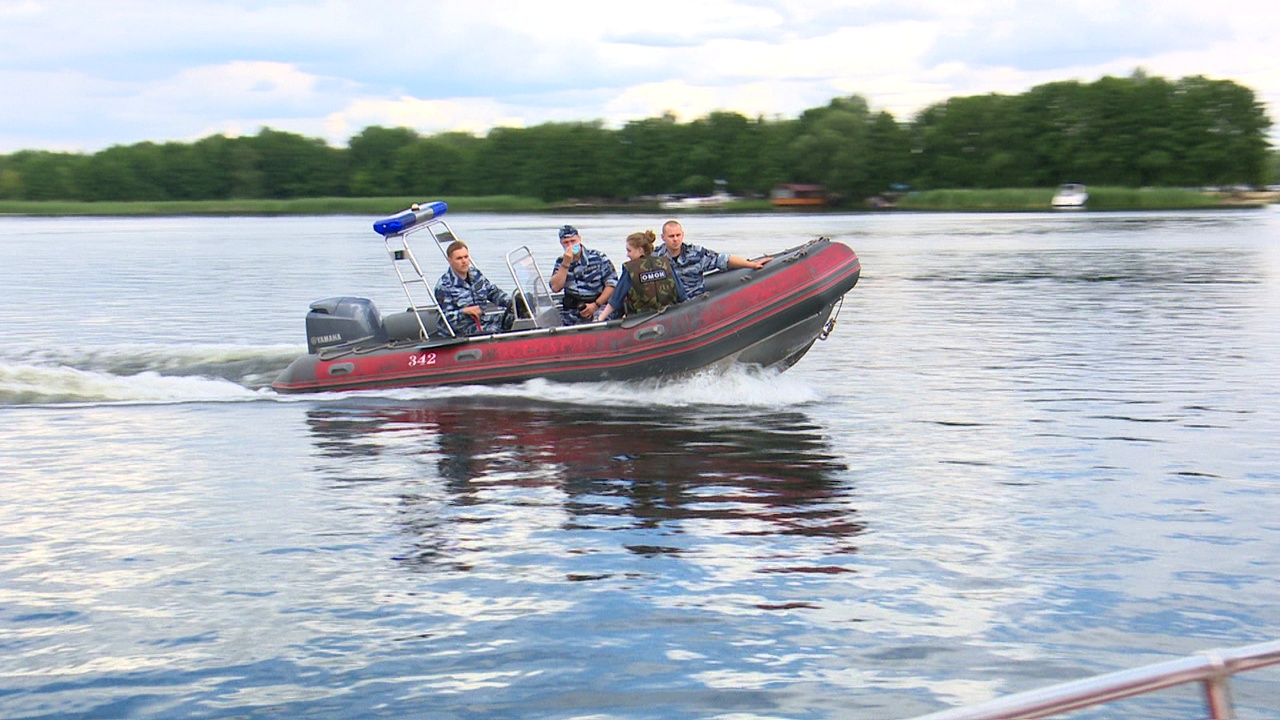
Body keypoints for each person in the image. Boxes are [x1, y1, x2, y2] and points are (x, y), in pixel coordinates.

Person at [655, 219, 770, 297]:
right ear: (663, 237)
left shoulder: (696, 253)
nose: (675, 239)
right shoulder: (654, 258)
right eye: (671, 236)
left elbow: (724, 259)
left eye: (678, 235)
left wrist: (752, 265)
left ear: (683, 235)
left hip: (695, 302)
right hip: (670, 307)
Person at [594, 230, 688, 322]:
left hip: (640, 321)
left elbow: (615, 301)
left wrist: (599, 319)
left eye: (629, 251)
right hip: (668, 317)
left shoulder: (631, 269)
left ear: (640, 250)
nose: (627, 255)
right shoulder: (665, 264)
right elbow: (681, 294)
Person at [433, 240, 515, 336]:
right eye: (459, 258)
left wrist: (512, 302)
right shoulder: (444, 286)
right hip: (461, 330)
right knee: (494, 330)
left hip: (482, 321)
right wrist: (465, 311)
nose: (464, 261)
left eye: (466, 257)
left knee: (515, 318)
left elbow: (492, 292)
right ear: (450, 260)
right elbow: (446, 319)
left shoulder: (475, 275)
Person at [549, 225, 617, 325]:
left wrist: (596, 305)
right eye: (566, 243)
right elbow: (555, 288)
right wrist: (565, 264)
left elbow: (612, 284)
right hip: (572, 310)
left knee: (600, 321)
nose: (570, 245)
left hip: (598, 305)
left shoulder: (598, 257)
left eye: (573, 241)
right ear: (561, 244)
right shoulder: (560, 262)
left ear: (579, 239)